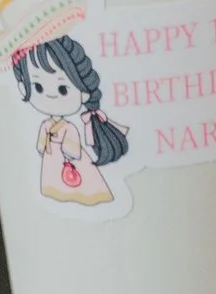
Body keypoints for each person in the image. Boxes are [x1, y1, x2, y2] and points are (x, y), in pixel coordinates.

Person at [11, 23, 129, 206]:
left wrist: (58, 145)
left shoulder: (68, 128)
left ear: (84, 93)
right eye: (38, 87)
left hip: (70, 165)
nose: (50, 95)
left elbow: (72, 151)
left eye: (63, 89)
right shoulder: (46, 125)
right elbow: (41, 147)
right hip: (53, 163)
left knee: (82, 191)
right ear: (22, 86)